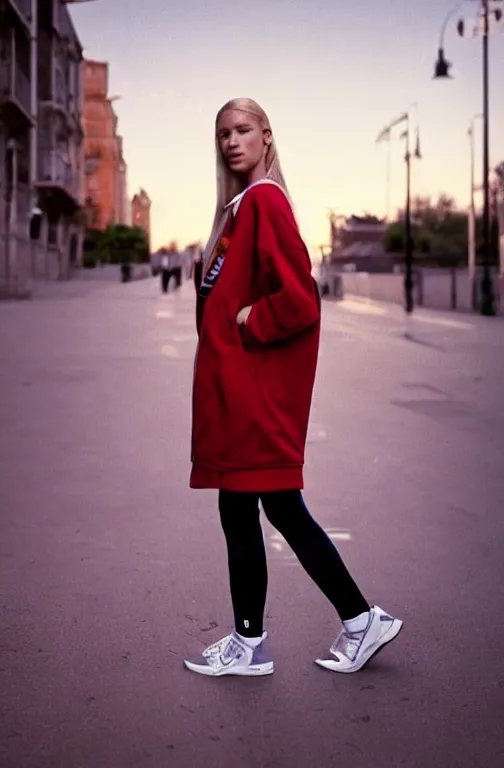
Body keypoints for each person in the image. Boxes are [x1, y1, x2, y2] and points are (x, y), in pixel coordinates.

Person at [184, 98, 402, 677]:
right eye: (223, 133)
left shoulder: (264, 201)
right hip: (237, 394)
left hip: (253, 398)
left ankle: (341, 624)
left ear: (266, 136)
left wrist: (251, 320)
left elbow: (300, 299)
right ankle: (296, 634)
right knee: (256, 509)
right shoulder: (236, 210)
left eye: (243, 130)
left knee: (268, 506)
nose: (232, 141)